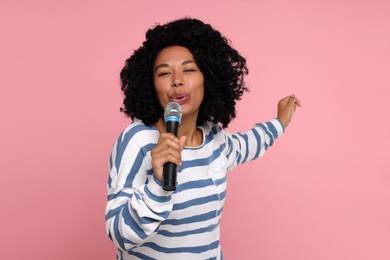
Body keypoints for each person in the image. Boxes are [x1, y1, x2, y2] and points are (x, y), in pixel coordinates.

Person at [105, 17, 301, 259]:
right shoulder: (138, 141)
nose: (177, 80)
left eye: (188, 69)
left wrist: (280, 122)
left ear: (207, 78)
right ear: (150, 84)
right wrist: (157, 184)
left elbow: (249, 143)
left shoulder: (214, 139)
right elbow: (119, 234)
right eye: (164, 73)